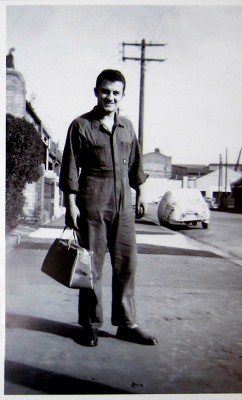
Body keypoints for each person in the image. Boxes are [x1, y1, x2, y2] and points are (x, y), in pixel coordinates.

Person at [59, 69, 157, 347]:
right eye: (105, 91)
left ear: (122, 96)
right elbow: (69, 167)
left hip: (124, 201)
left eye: (115, 92)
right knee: (91, 267)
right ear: (96, 92)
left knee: (127, 264)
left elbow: (136, 163)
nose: (110, 97)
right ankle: (90, 325)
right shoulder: (81, 125)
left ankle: (127, 324)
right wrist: (71, 204)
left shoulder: (127, 126)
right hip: (92, 199)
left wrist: (141, 193)